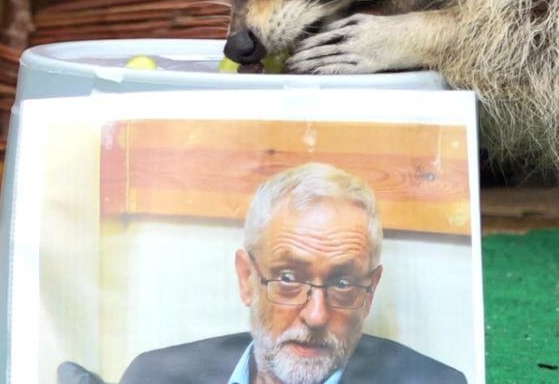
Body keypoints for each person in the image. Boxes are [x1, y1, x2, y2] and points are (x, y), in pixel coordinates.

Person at [119, 162, 466, 384]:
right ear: (246, 279)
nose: (316, 315)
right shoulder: (153, 376)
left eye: (343, 283)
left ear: (370, 293)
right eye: (288, 278)